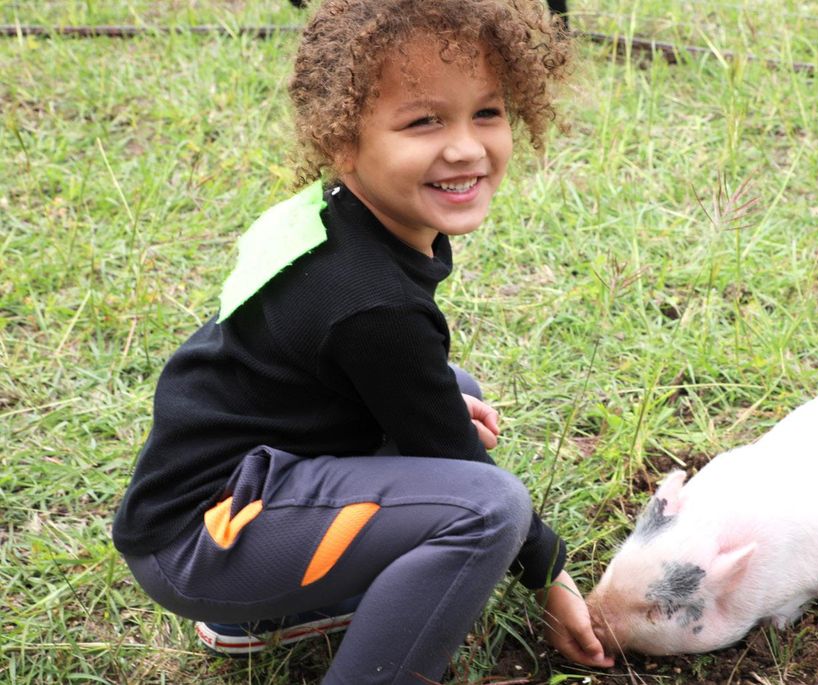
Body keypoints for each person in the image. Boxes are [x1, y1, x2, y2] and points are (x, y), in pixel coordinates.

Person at [110, 0, 613, 681]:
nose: (465, 146)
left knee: (450, 388)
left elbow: (313, 373)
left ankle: (274, 609)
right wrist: (549, 574)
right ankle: (280, 619)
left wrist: (425, 403)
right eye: (423, 120)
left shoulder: (332, 215)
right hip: (204, 542)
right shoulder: (370, 300)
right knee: (489, 509)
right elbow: (452, 451)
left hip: (223, 491)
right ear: (343, 140)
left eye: (487, 113)